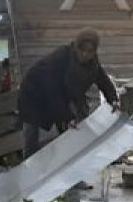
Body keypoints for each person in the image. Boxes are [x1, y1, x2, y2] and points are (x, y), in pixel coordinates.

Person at [17, 28, 120, 159]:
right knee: (32, 132)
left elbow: (103, 80)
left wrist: (113, 100)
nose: (85, 54)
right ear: (76, 47)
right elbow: (53, 92)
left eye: (90, 51)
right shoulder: (61, 58)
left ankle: (70, 162)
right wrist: (67, 117)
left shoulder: (92, 63)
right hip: (33, 94)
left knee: (76, 126)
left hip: (60, 95)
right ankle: (30, 168)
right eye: (82, 50)